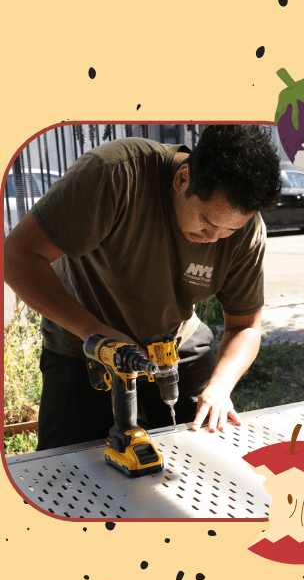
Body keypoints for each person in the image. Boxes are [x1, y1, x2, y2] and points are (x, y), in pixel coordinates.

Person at [4, 124, 283, 449]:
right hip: (83, 344)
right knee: (69, 467)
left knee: (211, 445)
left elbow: (245, 326)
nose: (214, 238)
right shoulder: (114, 174)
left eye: (229, 230)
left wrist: (221, 386)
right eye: (207, 223)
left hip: (172, 345)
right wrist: (94, 332)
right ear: (183, 178)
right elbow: (16, 257)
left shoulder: (246, 230)